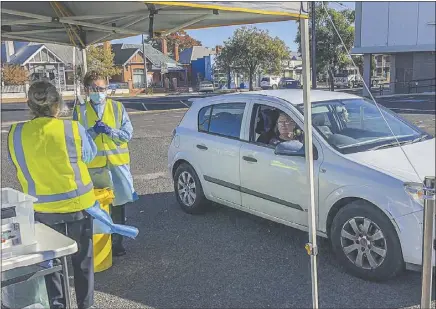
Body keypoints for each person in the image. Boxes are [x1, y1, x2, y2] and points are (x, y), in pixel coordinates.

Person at [7, 80, 97, 309]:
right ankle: (86, 306)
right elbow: (89, 157)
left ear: (29, 104)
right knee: (82, 263)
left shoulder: (16, 133)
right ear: (57, 104)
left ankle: (58, 305)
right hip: (78, 207)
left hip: (42, 211)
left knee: (50, 264)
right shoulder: (73, 128)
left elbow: (18, 165)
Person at [73, 70, 138, 257]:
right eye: (94, 88)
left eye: (101, 88)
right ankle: (99, 244)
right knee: (98, 208)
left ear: (107, 89)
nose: (98, 92)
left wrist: (110, 131)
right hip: (94, 168)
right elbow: (77, 141)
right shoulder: (80, 111)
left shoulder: (118, 108)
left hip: (117, 166)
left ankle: (117, 242)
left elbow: (127, 134)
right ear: (87, 90)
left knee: (118, 206)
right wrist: (92, 132)